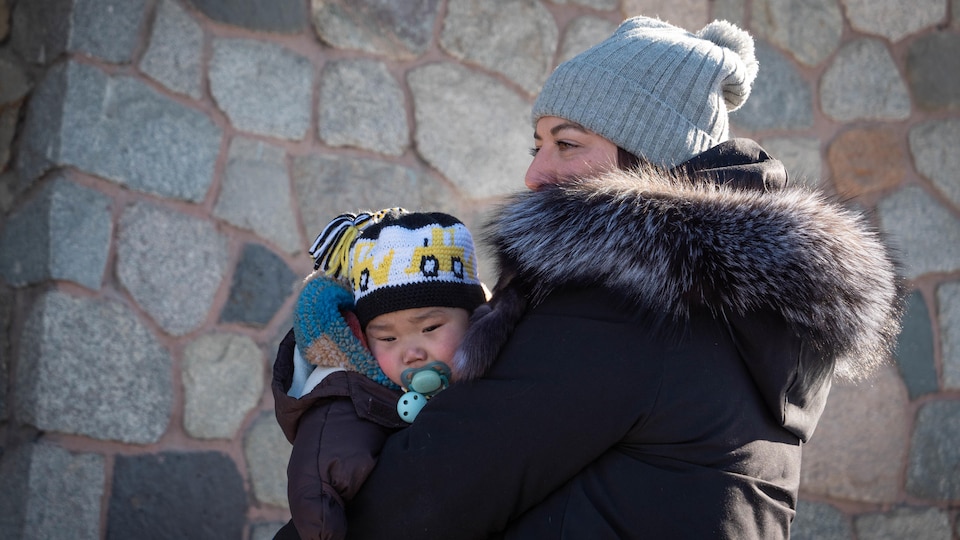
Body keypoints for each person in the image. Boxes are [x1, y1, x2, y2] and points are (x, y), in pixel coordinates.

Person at [324, 16, 904, 539]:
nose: (535, 172)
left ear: (649, 161)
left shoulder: (633, 305)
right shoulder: (747, 310)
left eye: (567, 144)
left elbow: (433, 491)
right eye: (538, 144)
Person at [272, 209, 487, 540]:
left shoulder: (506, 369)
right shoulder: (354, 401)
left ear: (475, 318)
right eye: (388, 338)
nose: (411, 351)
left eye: (430, 327)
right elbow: (321, 473)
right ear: (365, 339)